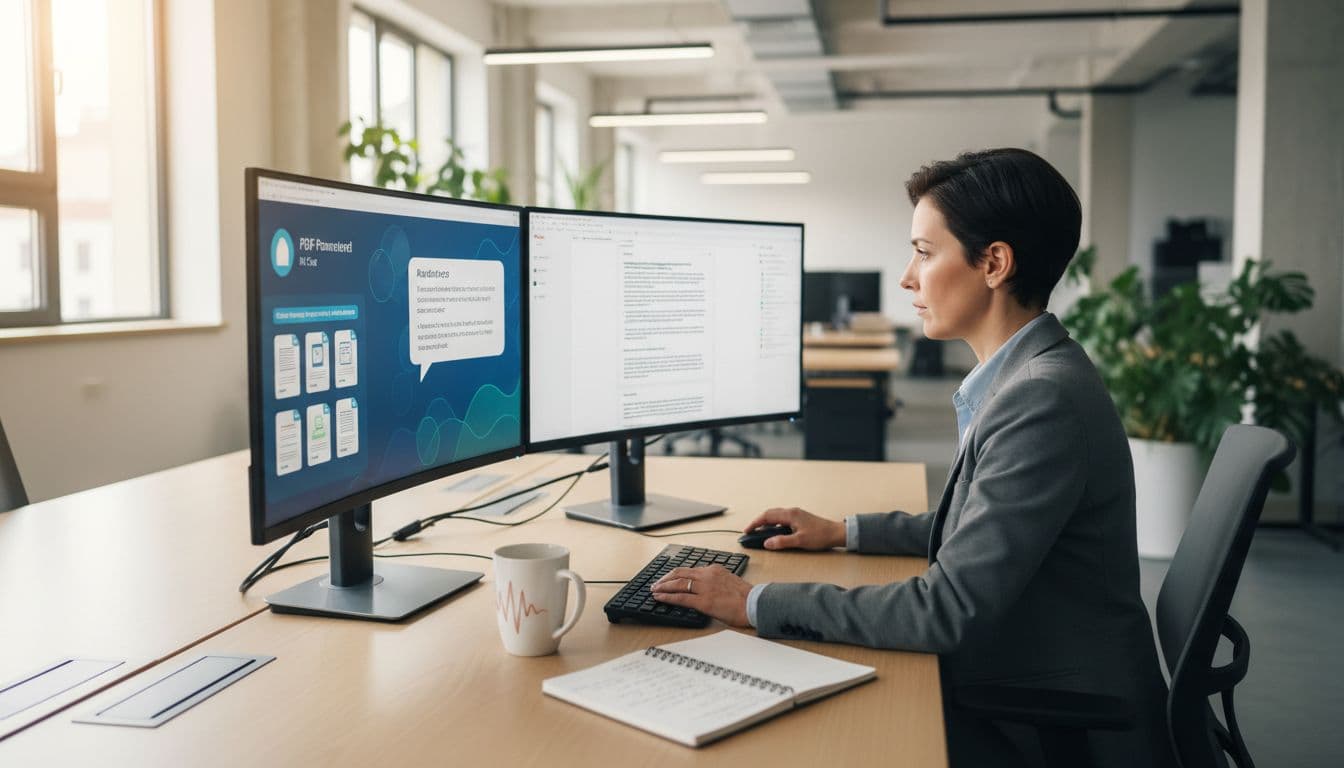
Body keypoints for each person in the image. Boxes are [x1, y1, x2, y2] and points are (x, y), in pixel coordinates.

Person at [651, 148, 1175, 768]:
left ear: (994, 263)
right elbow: (978, 526)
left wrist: (753, 603)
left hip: (1050, 709)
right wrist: (843, 531)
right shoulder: (1032, 374)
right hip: (1029, 669)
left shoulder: (1040, 400)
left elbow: (947, 609)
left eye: (925, 253)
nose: (907, 278)